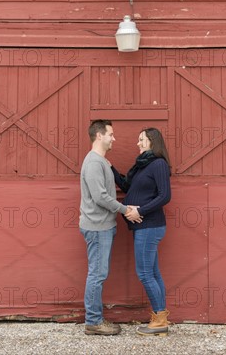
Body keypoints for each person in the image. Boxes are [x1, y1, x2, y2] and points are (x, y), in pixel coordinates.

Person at [79, 119, 139, 336]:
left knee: (98, 273)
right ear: (99, 136)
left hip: (102, 226)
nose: (114, 138)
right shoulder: (94, 163)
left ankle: (95, 319)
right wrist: (126, 210)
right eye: (110, 134)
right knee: (97, 274)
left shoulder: (101, 161)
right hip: (97, 228)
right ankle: (93, 321)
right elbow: (100, 197)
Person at [112, 127, 172, 336]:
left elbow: (165, 196)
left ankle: (159, 320)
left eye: (142, 140)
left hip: (150, 226)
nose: (138, 143)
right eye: (138, 140)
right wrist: (108, 166)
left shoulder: (158, 164)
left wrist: (140, 210)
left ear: (152, 142)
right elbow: (127, 187)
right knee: (153, 273)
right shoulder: (141, 166)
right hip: (144, 227)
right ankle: (160, 318)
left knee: (145, 274)